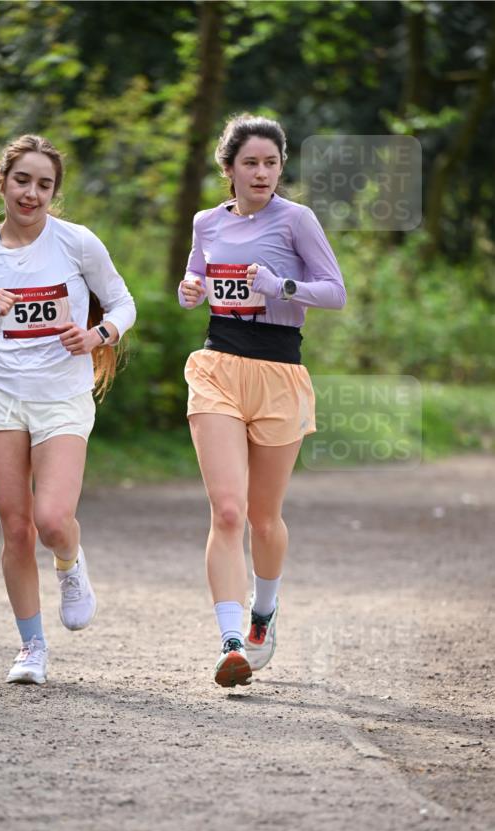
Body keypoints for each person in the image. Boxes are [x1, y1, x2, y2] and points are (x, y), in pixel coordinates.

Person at [0, 134, 135, 685]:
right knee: (17, 528)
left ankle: (70, 564)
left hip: (61, 397)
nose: (32, 193)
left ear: (55, 192)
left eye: (44, 184)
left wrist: (99, 334)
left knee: (52, 521)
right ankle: (32, 649)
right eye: (22, 180)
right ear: (2, 182)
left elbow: (124, 302)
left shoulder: (76, 243)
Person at [179, 114, 346, 688]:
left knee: (262, 517)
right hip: (218, 367)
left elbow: (335, 291)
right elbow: (195, 280)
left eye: (272, 163)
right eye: (250, 163)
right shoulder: (206, 222)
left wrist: (281, 286)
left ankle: (263, 615)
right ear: (228, 169)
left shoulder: (297, 219)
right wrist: (189, 288)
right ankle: (230, 641)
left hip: (279, 372)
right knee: (226, 511)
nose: (262, 173)